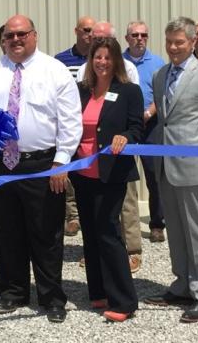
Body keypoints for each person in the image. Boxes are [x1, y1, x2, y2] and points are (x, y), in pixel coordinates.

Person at [0, 15, 81, 323]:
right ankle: (13, 293)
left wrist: (62, 160)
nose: (15, 40)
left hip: (41, 165)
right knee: (6, 232)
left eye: (21, 34)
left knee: (46, 233)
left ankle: (52, 297)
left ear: (35, 35)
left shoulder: (54, 70)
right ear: (2, 39)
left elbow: (70, 119)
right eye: (9, 35)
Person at [143, 17, 198, 324]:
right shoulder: (159, 75)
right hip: (166, 165)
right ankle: (181, 284)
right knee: (176, 232)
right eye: (169, 42)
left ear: (193, 43)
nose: (173, 48)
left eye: (180, 42)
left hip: (195, 166)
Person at [73, 36, 144, 322]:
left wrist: (124, 137)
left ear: (116, 60)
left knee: (108, 232)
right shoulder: (81, 91)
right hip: (82, 174)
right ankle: (98, 292)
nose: (102, 62)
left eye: (107, 57)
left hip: (111, 174)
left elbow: (137, 129)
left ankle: (124, 300)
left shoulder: (129, 91)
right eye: (97, 57)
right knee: (90, 234)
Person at [123, 21, 166, 243]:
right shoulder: (118, 62)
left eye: (144, 35)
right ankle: (125, 225)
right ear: (126, 38)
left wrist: (149, 112)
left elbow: (163, 94)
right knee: (124, 176)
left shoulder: (158, 63)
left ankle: (157, 223)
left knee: (154, 175)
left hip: (151, 124)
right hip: (125, 127)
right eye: (135, 35)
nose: (140, 38)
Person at [54, 15, 95, 237]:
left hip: (91, 129)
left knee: (87, 175)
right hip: (68, 125)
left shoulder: (101, 59)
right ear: (76, 31)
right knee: (65, 172)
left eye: (92, 31)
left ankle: (83, 216)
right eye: (85, 30)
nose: (89, 35)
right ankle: (71, 215)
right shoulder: (60, 60)